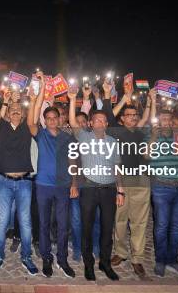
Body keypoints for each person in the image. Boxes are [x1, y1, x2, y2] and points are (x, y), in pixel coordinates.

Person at [0, 69, 39, 277]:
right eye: (12, 110)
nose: (15, 111)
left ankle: (26, 256)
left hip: (24, 182)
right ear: (7, 114)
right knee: (3, 220)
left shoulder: (28, 128)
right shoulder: (1, 128)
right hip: (3, 182)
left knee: (25, 221)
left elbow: (33, 110)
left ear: (23, 114)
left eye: (18, 110)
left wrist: (32, 100)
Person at [68, 86, 123, 281]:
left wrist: (120, 191)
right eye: (97, 119)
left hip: (109, 190)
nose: (101, 122)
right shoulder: (84, 136)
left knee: (107, 228)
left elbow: (118, 167)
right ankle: (88, 264)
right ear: (91, 123)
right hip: (89, 188)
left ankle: (105, 263)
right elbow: (74, 122)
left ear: (107, 123)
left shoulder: (113, 142)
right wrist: (73, 98)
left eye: (104, 120)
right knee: (87, 227)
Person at [27, 71, 76, 278]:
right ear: (45, 120)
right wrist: (40, 93)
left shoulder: (68, 137)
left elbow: (73, 161)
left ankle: (62, 259)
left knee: (63, 225)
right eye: (48, 118)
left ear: (59, 119)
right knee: (45, 223)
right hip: (43, 186)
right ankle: (47, 257)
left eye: (55, 118)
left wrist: (74, 183)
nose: (52, 120)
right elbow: (31, 120)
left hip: (64, 185)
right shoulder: (40, 135)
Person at [109, 86, 153, 280]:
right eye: (129, 115)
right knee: (119, 219)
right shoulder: (115, 132)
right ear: (122, 118)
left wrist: (151, 102)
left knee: (140, 222)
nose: (134, 117)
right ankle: (120, 252)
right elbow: (109, 116)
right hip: (121, 180)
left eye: (135, 114)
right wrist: (124, 98)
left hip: (141, 179)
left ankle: (137, 258)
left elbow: (149, 119)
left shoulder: (141, 132)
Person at [147, 107, 178, 280]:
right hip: (161, 186)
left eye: (169, 119)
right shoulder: (151, 135)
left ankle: (173, 260)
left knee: (176, 227)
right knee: (161, 225)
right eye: (163, 119)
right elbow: (146, 155)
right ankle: (160, 260)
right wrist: (153, 135)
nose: (167, 122)